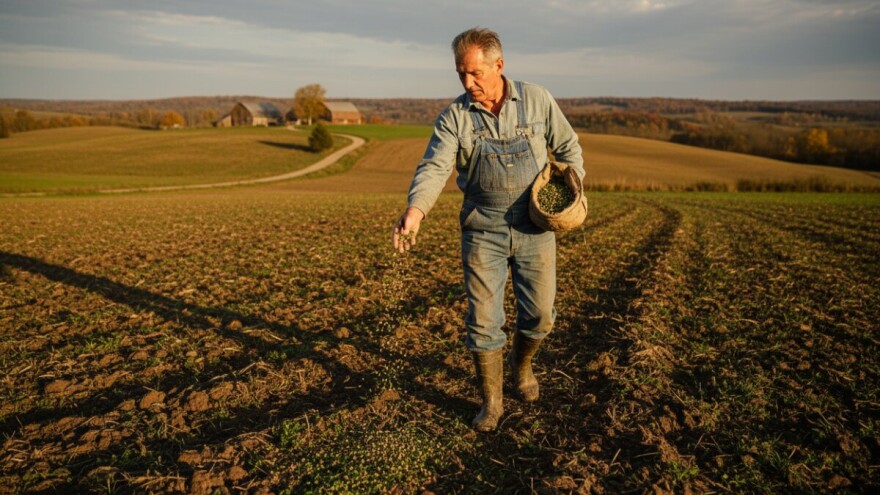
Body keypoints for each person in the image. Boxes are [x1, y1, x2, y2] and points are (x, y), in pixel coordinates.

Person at [392, 27, 585, 431]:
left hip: (536, 226)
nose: (468, 83)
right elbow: (435, 167)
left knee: (541, 317)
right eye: (461, 74)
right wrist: (415, 210)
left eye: (476, 73)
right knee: (483, 320)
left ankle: (524, 365)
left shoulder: (536, 100)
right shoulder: (454, 118)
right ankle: (491, 402)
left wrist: (571, 187)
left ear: (499, 65)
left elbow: (568, 147)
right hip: (484, 228)